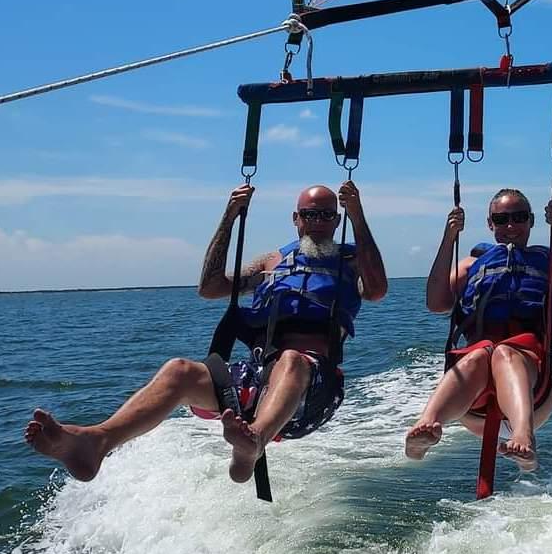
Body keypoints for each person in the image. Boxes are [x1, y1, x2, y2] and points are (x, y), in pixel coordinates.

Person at [25, 180, 387, 485]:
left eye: (327, 215)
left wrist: (358, 216)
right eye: (310, 214)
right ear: (296, 219)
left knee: (292, 360)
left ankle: (253, 441)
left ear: (336, 220)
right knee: (179, 370)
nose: (318, 222)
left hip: (313, 389)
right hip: (256, 379)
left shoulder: (352, 260)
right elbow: (210, 287)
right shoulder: (270, 264)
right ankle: (95, 441)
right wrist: (229, 219)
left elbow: (376, 289)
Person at [404, 188, 552, 472]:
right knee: (479, 355)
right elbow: (436, 303)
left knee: (504, 353)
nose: (510, 226)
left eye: (519, 217)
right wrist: (449, 237)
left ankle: (524, 435)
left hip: (534, 386)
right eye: (501, 220)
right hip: (473, 398)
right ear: (490, 224)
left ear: (531, 220)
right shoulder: (472, 264)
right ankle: (427, 425)